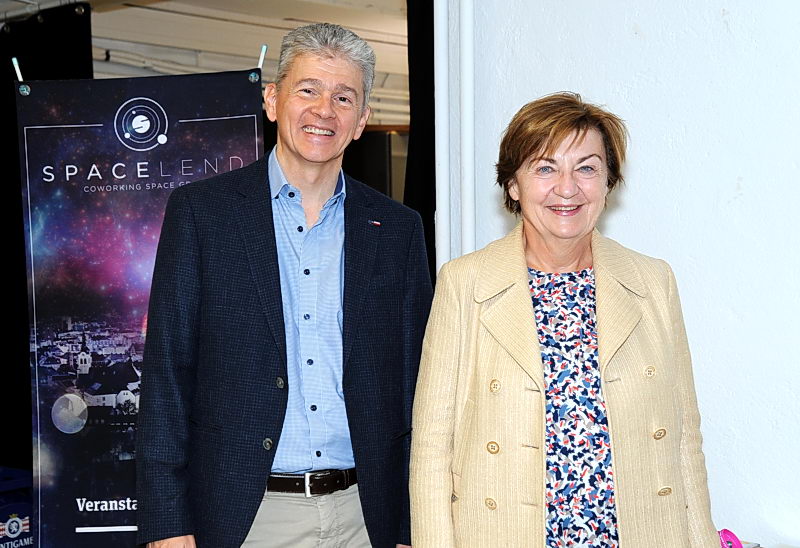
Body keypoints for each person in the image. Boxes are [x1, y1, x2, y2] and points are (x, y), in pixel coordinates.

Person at [136, 23, 432, 548]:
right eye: (308, 89)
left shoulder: (398, 230)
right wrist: (167, 523)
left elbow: (417, 387)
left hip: (366, 517)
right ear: (273, 100)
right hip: (245, 518)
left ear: (362, 120)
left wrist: (412, 525)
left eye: (344, 97)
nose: (324, 110)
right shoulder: (202, 215)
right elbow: (167, 375)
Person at [409, 92, 718, 547]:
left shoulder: (653, 281)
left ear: (608, 182)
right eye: (545, 168)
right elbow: (433, 448)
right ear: (513, 185)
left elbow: (684, 437)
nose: (567, 188)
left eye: (587, 168)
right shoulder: (465, 283)